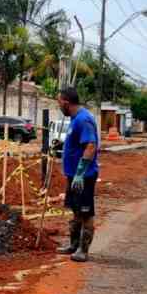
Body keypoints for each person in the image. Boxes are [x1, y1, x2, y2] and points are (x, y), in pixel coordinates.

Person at [56, 87, 99, 262]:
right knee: (75, 210)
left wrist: (80, 173)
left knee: (85, 212)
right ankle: (73, 244)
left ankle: (83, 250)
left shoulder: (84, 119)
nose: (58, 106)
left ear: (66, 102)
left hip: (84, 176)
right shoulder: (75, 120)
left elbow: (90, 146)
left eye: (59, 102)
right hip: (72, 175)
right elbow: (76, 144)